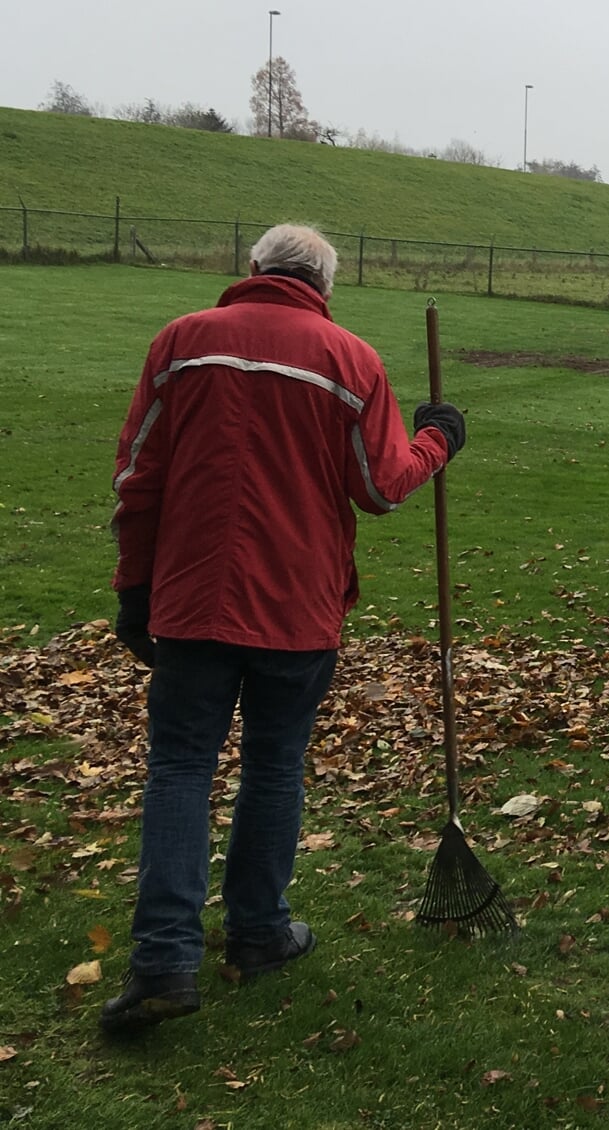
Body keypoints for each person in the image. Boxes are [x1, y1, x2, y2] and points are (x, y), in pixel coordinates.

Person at [102, 224, 466, 1037]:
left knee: (181, 769)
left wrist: (135, 586)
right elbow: (380, 486)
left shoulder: (182, 343)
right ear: (323, 288)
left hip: (194, 600)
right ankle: (259, 931)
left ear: (254, 270)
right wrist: (438, 437)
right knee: (272, 768)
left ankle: (164, 955)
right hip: (299, 609)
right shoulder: (350, 359)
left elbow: (137, 476)